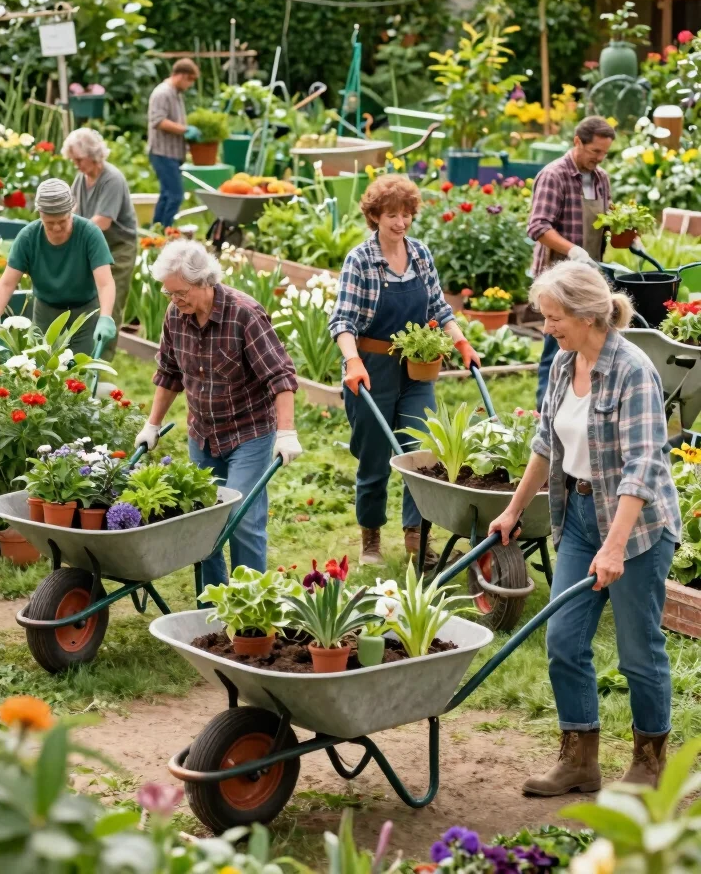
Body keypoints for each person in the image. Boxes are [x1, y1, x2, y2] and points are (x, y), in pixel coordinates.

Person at [488, 261, 681, 795]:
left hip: (636, 528)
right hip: (577, 517)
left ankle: (649, 762)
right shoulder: (563, 364)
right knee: (563, 641)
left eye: (554, 317)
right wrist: (512, 510)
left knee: (638, 652)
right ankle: (579, 760)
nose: (547, 326)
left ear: (588, 313)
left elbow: (643, 466)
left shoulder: (633, 370)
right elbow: (546, 445)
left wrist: (615, 546)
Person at [329, 174, 480, 567]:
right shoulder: (361, 260)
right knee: (375, 456)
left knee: (422, 453)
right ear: (375, 216)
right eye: (392, 215)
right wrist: (353, 361)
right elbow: (342, 321)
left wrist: (461, 341)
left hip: (417, 368)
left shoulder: (420, 255)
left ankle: (417, 537)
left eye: (406, 214)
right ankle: (372, 540)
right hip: (370, 370)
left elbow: (438, 308)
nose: (400, 222)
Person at [135, 239, 302, 586]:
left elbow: (281, 376)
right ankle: (211, 605)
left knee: (241, 520)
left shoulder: (244, 314)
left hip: (249, 434)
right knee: (203, 522)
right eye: (169, 294)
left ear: (204, 281)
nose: (175, 301)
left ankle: (250, 606)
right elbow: (169, 373)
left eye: (180, 293)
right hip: (203, 434)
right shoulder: (175, 317)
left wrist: (286, 433)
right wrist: (152, 424)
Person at [528, 116, 616, 411]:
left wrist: (626, 230)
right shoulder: (554, 175)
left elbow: (606, 219)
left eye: (604, 153)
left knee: (586, 344)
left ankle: (578, 407)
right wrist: (573, 250)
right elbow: (538, 227)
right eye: (595, 152)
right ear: (578, 142)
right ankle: (545, 412)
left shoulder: (601, 178)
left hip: (589, 280)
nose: (599, 158)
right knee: (555, 345)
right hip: (560, 283)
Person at [0, 179, 116, 355]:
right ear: (40, 214)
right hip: (46, 313)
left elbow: (105, 283)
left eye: (63, 220)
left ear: (72, 210)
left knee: (80, 374)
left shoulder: (89, 233)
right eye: (49, 223)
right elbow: (6, 284)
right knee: (42, 372)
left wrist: (105, 317)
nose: (57, 227)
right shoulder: (28, 237)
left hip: (84, 314)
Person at [63, 128, 138, 360]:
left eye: (78, 159)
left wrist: (70, 232)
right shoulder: (81, 178)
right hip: (92, 247)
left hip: (118, 248)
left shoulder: (112, 179)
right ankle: (83, 354)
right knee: (86, 301)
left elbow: (102, 222)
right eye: (73, 159)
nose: (75, 164)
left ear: (93, 154)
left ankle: (101, 360)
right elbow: (73, 211)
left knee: (109, 304)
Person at [147, 58, 201, 229]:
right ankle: (167, 229)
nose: (190, 85)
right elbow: (158, 121)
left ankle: (157, 230)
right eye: (190, 80)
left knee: (166, 194)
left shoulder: (175, 94)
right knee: (176, 195)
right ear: (181, 76)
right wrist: (185, 130)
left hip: (172, 153)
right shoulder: (163, 93)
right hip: (162, 152)